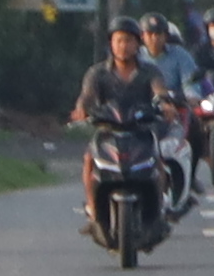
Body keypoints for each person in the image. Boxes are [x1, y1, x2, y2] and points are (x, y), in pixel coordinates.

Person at [70, 22, 168, 242]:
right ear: (111, 45)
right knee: (88, 160)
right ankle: (93, 210)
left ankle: (158, 211)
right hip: (107, 131)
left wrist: (166, 104)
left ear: (137, 44)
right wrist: (81, 110)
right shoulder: (98, 73)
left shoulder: (149, 71)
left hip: (140, 131)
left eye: (128, 41)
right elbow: (86, 96)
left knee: (158, 162)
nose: (123, 46)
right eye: (118, 41)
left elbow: (160, 91)